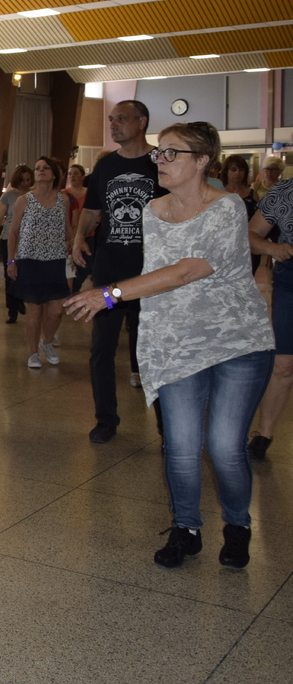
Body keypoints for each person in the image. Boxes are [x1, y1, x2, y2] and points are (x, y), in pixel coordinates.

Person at [65, 122, 274, 570]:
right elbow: (157, 274)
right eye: (159, 152)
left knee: (224, 447)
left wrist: (109, 294)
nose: (160, 160)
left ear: (203, 161)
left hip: (236, 341)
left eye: (172, 153)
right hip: (175, 343)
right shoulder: (152, 210)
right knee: (179, 446)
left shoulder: (228, 207)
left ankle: (237, 525)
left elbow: (187, 270)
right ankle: (186, 528)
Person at [72, 101, 166, 443]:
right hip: (109, 274)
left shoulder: (161, 162)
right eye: (111, 120)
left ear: (142, 122)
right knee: (102, 349)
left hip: (151, 275)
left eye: (121, 119)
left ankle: (166, 425)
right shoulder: (106, 166)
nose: (113, 125)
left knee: (151, 351)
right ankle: (106, 419)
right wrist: (79, 237)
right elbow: (92, 210)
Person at [245, 167, 293, 460]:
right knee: (284, 364)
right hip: (290, 281)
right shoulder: (284, 191)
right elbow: (250, 235)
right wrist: (273, 248)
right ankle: (263, 435)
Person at [7, 157, 73, 369]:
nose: (41, 171)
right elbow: (13, 232)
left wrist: (75, 246)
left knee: (56, 310)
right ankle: (33, 352)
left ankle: (48, 342)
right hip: (30, 260)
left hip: (56, 259)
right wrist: (11, 260)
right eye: (38, 168)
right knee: (35, 311)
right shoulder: (24, 200)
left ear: (54, 174)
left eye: (45, 168)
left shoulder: (63, 199)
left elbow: (67, 228)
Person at [0, 164, 32, 323]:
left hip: (28, 240)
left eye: (28, 180)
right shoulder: (8, 196)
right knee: (10, 274)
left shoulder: (33, 195)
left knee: (25, 274)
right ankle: (12, 309)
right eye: (22, 180)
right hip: (9, 238)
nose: (25, 183)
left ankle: (19, 298)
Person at [222, 155, 261, 275]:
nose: (237, 173)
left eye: (241, 169)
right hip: (225, 244)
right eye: (233, 170)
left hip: (248, 244)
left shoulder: (252, 193)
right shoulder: (218, 191)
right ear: (226, 172)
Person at [63, 164, 93, 293]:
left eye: (76, 173)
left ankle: (76, 289)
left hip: (88, 233)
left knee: (85, 265)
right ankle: (71, 291)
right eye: (70, 174)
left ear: (82, 176)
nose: (72, 176)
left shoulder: (90, 193)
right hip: (70, 234)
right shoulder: (64, 194)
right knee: (70, 266)